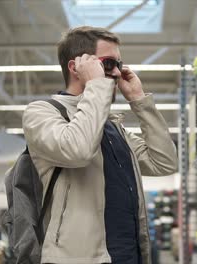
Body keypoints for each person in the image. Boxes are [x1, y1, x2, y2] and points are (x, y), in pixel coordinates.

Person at [22, 26, 178, 264]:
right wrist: (96, 87)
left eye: (119, 64)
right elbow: (78, 150)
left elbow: (164, 163)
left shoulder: (112, 128)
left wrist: (140, 101)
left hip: (128, 256)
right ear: (76, 68)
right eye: (107, 64)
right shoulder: (42, 113)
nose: (116, 73)